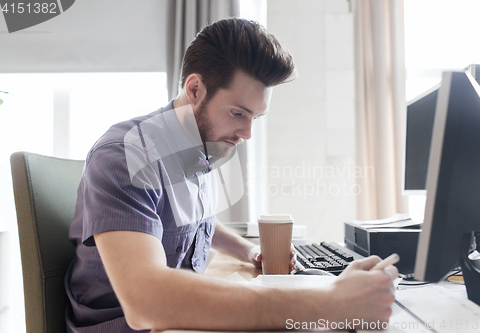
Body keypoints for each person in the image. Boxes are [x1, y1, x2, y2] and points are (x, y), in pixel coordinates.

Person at [65, 18, 398, 332]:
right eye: (238, 112)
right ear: (194, 88)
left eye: (256, 117)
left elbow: (188, 222)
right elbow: (144, 302)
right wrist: (325, 302)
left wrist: (249, 252)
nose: (247, 133)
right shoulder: (126, 155)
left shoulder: (197, 145)